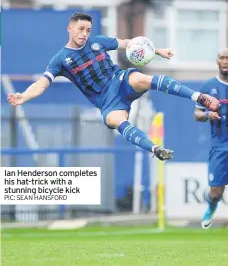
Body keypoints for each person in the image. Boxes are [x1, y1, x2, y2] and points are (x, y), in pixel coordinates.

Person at [8, 12, 220, 161]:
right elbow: (42, 85)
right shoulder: (60, 60)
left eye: (88, 30)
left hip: (119, 81)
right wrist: (24, 97)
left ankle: (198, 97)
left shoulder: (98, 41)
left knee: (140, 79)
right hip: (106, 101)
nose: (84, 33)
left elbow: (129, 43)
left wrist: (157, 50)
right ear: (70, 28)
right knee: (114, 120)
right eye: (81, 29)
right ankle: (155, 148)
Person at [195, 48, 228, 229]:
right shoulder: (208, 87)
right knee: (216, 193)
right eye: (222, 58)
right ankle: (211, 206)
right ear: (217, 62)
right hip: (220, 147)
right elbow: (197, 114)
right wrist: (209, 114)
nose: (225, 61)